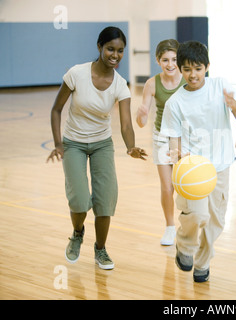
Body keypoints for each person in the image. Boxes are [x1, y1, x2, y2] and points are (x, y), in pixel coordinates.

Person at [47, 26, 147, 270]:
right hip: (74, 144)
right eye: (110, 49)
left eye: (120, 51)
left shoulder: (120, 85)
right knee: (80, 200)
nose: (115, 55)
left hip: (102, 144)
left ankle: (100, 249)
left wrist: (131, 146)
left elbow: (125, 123)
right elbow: (56, 109)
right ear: (100, 47)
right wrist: (59, 143)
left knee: (105, 200)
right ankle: (77, 233)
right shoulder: (77, 74)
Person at [160, 41, 236, 282]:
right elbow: (174, 140)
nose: (193, 74)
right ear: (180, 69)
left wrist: (233, 106)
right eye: (187, 69)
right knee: (197, 216)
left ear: (207, 67)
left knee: (216, 221)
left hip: (220, 166)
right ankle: (185, 247)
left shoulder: (220, 86)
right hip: (193, 170)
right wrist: (179, 157)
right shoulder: (174, 103)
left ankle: (202, 263)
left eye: (198, 68)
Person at [136, 39, 185, 246]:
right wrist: (142, 114)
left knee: (185, 184)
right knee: (167, 187)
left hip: (185, 138)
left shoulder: (187, 79)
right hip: (161, 136)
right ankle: (170, 227)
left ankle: (189, 225)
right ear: (158, 61)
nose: (170, 64)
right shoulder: (151, 84)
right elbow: (141, 122)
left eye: (174, 59)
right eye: (165, 60)